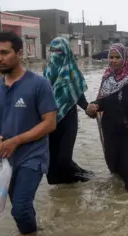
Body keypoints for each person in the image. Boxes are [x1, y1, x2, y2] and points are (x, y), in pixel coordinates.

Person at [0, 31, 58, 236]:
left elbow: (50, 123)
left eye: (4, 52)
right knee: (19, 207)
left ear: (19, 53)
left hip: (33, 155)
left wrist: (16, 141)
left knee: (20, 207)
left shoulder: (39, 84)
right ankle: (33, 232)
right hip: (7, 158)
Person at [86, 43, 128, 192]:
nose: (113, 61)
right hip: (111, 132)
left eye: (117, 57)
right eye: (111, 57)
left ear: (124, 58)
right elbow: (102, 100)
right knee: (115, 171)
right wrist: (93, 106)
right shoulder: (107, 78)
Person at [43, 37, 93, 185]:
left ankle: (86, 179)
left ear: (66, 52)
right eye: (52, 51)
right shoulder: (47, 71)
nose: (55, 54)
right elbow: (40, 97)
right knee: (52, 162)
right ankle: (66, 190)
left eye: (59, 51)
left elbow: (78, 94)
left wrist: (88, 109)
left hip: (68, 118)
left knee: (64, 158)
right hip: (50, 120)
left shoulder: (72, 71)